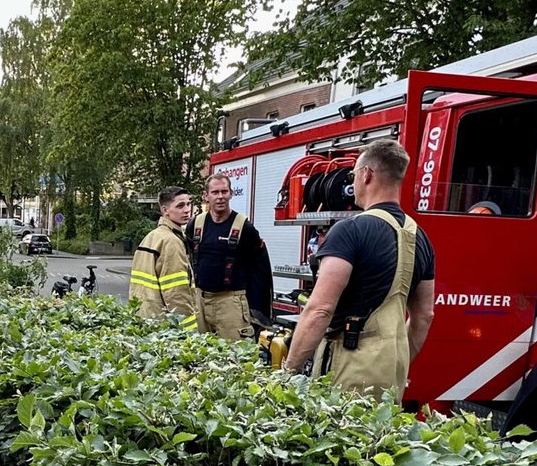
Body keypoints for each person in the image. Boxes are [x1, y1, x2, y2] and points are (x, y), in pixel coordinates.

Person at [282, 140, 436, 400]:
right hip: (392, 372)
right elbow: (424, 316)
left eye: (353, 174)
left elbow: (320, 309)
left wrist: (289, 371)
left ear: (366, 175)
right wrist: (395, 360)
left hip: (349, 367)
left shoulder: (350, 230)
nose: (352, 181)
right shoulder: (420, 237)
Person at [189, 173, 273, 342]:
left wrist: (259, 312)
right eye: (215, 192)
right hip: (200, 300)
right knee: (199, 353)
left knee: (235, 354)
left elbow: (261, 270)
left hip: (231, 304)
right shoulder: (195, 225)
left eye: (224, 191)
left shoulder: (245, 228)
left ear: (231, 194)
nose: (220, 197)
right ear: (206, 196)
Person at [130, 186, 199, 326]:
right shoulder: (172, 241)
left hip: (145, 317)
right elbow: (176, 293)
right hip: (162, 324)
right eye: (180, 206)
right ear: (165, 210)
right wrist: (189, 328)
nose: (187, 210)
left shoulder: (153, 236)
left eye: (188, 204)